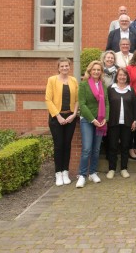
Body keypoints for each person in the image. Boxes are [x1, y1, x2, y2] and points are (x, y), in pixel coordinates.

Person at [45, 58, 79, 187]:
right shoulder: (52, 80)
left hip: (70, 117)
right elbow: (48, 99)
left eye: (67, 66)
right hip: (56, 118)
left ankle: (65, 171)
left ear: (69, 67)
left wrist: (74, 114)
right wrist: (58, 116)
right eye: (62, 66)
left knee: (67, 145)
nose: (65, 68)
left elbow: (76, 100)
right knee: (59, 145)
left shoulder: (73, 80)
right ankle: (58, 173)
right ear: (58, 68)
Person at [76, 61, 109, 188]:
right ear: (90, 71)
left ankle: (93, 172)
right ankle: (82, 175)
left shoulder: (103, 86)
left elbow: (106, 104)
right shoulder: (84, 85)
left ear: (101, 72)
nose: (96, 72)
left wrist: (106, 118)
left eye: (98, 70)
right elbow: (82, 104)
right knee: (87, 149)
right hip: (87, 120)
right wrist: (92, 119)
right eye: (94, 69)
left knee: (96, 149)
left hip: (100, 120)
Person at [106, 67, 136, 179]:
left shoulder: (131, 90)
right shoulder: (110, 89)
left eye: (124, 75)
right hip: (113, 123)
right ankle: (112, 169)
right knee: (112, 146)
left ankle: (124, 168)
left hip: (127, 123)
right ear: (117, 76)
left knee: (125, 146)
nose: (122, 77)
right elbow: (106, 105)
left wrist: (135, 120)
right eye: (120, 75)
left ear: (127, 77)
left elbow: (135, 106)